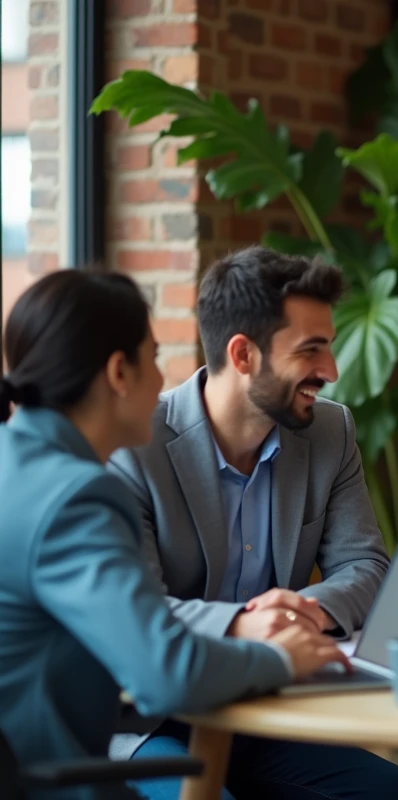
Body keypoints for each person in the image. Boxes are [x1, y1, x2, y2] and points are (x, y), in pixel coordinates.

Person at [0, 269, 352, 800]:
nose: (165, 381)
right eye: (155, 357)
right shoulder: (78, 497)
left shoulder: (14, 462)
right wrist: (284, 658)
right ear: (120, 371)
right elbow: (166, 671)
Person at [107, 247, 398, 799]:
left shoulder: (330, 432)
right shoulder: (135, 443)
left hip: (267, 704)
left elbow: (366, 563)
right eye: (311, 350)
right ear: (244, 354)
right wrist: (243, 622)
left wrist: (308, 609)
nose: (331, 371)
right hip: (149, 716)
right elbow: (138, 608)